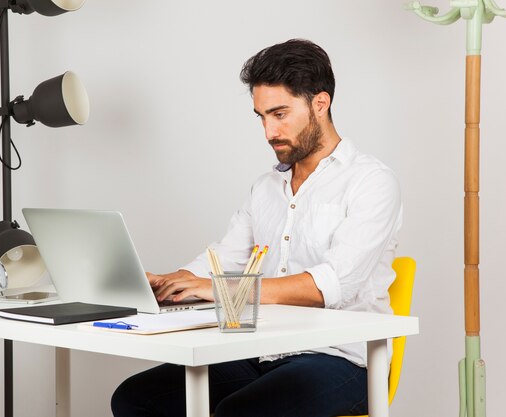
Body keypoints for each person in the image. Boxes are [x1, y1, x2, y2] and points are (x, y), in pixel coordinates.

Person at [111, 38, 402, 417]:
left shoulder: (371, 181)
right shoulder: (266, 187)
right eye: (262, 116)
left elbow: (329, 286)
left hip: (341, 358)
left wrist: (220, 289)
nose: (269, 131)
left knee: (242, 412)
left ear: (320, 103)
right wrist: (168, 281)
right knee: (135, 397)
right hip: (262, 350)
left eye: (279, 114)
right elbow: (225, 256)